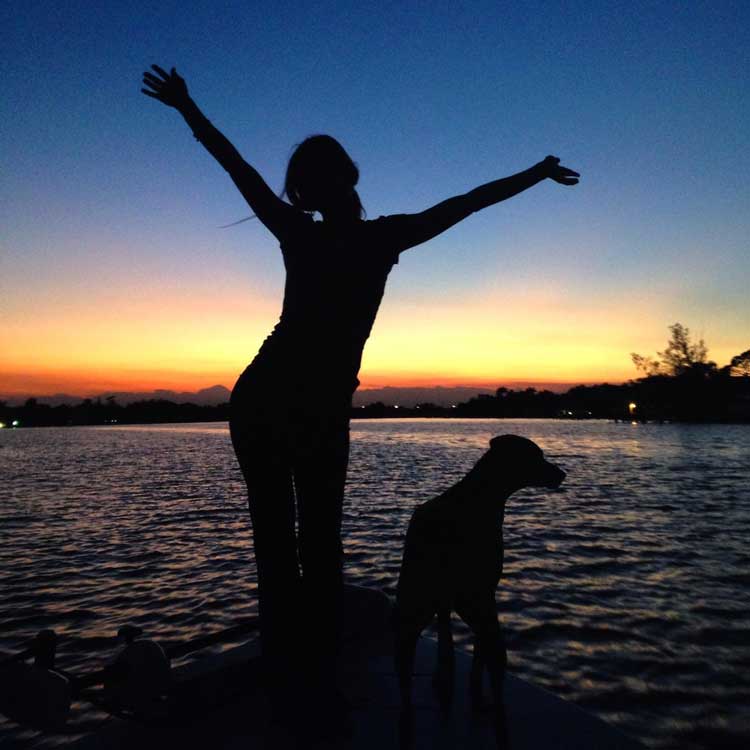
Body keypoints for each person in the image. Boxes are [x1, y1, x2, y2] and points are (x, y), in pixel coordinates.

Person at [141, 64, 579, 725]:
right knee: (309, 546)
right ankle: (309, 680)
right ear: (345, 177)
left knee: (292, 547)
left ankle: (299, 677)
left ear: (321, 186)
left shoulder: (314, 231)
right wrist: (537, 173)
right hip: (290, 405)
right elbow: (466, 202)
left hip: (271, 400)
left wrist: (188, 107)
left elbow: (238, 167)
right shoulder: (369, 235)